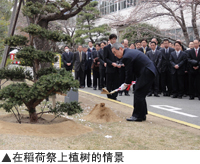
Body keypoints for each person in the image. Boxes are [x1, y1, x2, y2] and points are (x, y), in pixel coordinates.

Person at [111, 42, 157, 121]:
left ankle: (137, 116)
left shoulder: (126, 56)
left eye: (115, 52)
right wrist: (126, 83)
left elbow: (129, 72)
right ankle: (142, 114)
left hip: (147, 71)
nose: (115, 55)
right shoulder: (128, 53)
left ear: (121, 49)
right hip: (148, 71)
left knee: (138, 92)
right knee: (140, 93)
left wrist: (126, 83)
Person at [104, 34, 120, 101]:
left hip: (117, 68)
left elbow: (119, 56)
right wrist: (111, 63)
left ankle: (114, 97)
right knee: (109, 84)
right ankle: (109, 96)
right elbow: (105, 58)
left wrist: (119, 63)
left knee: (116, 83)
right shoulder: (106, 48)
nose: (114, 40)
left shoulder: (118, 47)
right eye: (112, 39)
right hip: (110, 69)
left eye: (115, 39)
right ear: (109, 40)